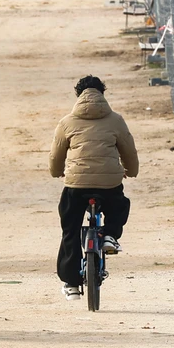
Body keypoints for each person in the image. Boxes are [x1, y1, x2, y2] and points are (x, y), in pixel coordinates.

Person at [49, 75, 138, 298]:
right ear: (102, 94)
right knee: (119, 205)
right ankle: (110, 235)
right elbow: (129, 151)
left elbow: (56, 155)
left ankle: (71, 284)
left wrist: (57, 172)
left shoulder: (67, 122)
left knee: (69, 229)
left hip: (76, 186)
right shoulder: (116, 120)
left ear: (78, 95)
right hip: (109, 184)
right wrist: (131, 171)